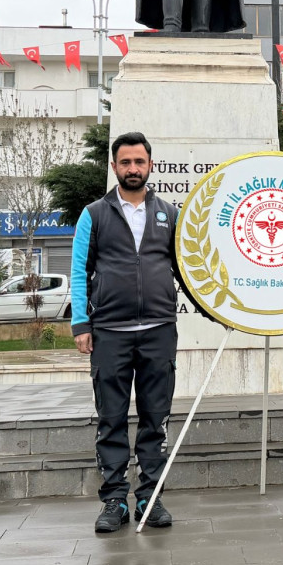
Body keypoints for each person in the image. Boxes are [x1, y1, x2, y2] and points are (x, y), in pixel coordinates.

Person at [71, 131, 185, 534]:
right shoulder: (94, 214)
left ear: (150, 165)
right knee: (112, 419)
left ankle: (150, 499)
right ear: (114, 166)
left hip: (158, 330)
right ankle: (115, 500)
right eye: (125, 162)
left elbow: (185, 271)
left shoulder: (169, 214)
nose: (133, 168)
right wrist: (81, 324)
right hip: (110, 332)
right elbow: (79, 271)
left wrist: (216, 307)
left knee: (156, 419)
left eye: (139, 162)